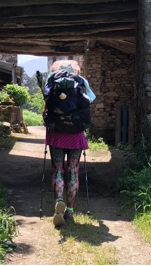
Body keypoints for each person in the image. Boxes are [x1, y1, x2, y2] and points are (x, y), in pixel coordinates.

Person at [43, 59, 95, 227]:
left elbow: (47, 104)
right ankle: (70, 212)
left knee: (58, 169)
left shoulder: (52, 79)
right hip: (75, 134)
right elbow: (90, 100)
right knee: (73, 169)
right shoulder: (80, 81)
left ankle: (59, 201)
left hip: (57, 132)